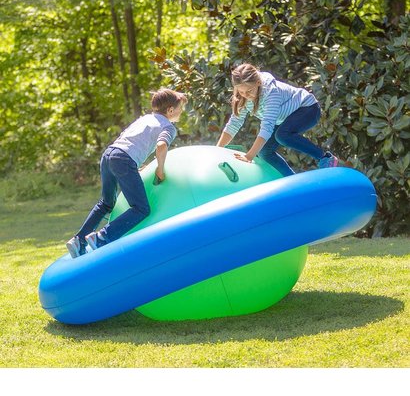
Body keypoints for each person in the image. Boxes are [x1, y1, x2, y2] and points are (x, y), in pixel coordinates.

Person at [66, 88, 187, 258]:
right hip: (123, 159)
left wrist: (134, 165)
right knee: (141, 208)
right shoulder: (168, 126)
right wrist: (160, 170)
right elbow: (161, 146)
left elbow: (128, 140)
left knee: (106, 203)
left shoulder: (145, 119)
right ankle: (102, 237)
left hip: (109, 154)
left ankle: (78, 240)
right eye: (180, 108)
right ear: (170, 110)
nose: (181, 112)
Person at [216, 63, 338, 176]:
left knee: (282, 135)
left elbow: (267, 126)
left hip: (308, 109)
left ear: (258, 82)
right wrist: (218, 149)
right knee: (264, 153)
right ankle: (291, 180)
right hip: (282, 118)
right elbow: (234, 123)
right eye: (241, 92)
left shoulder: (271, 92)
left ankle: (325, 157)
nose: (246, 95)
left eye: (249, 91)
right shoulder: (242, 98)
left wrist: (249, 156)